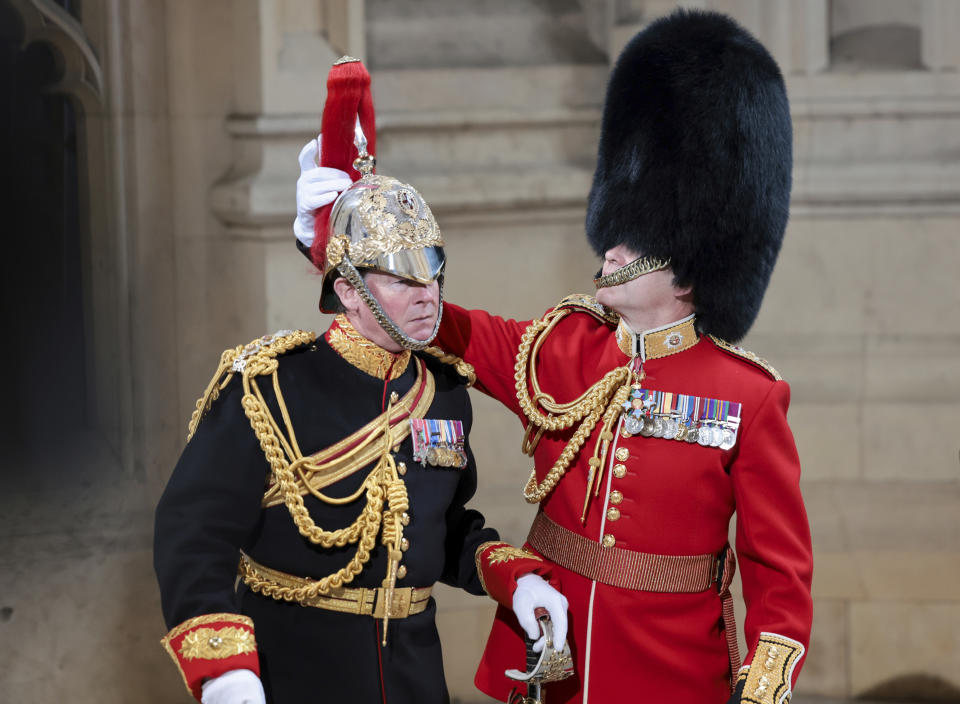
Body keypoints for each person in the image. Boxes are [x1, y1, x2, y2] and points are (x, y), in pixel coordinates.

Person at [294, 10, 813, 704]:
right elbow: (437, 324)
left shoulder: (749, 396)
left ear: (689, 263)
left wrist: (764, 687)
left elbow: (778, 575)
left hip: (671, 672)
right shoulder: (561, 345)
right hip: (546, 657)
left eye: (635, 238)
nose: (612, 248)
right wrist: (340, 246)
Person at [155, 58, 567, 704]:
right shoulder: (268, 388)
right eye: (403, 280)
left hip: (414, 680)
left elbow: (444, 526)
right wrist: (227, 670)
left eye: (433, 275)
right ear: (347, 291)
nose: (428, 295)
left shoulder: (444, 392)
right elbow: (193, 532)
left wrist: (515, 578)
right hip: (294, 678)